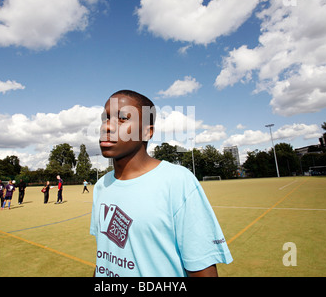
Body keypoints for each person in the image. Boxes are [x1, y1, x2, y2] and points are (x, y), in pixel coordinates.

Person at [90, 90, 232, 277]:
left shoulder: (177, 181)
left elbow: (202, 272)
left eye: (123, 118)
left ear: (147, 132)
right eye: (105, 118)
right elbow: (106, 256)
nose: (107, 127)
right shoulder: (102, 185)